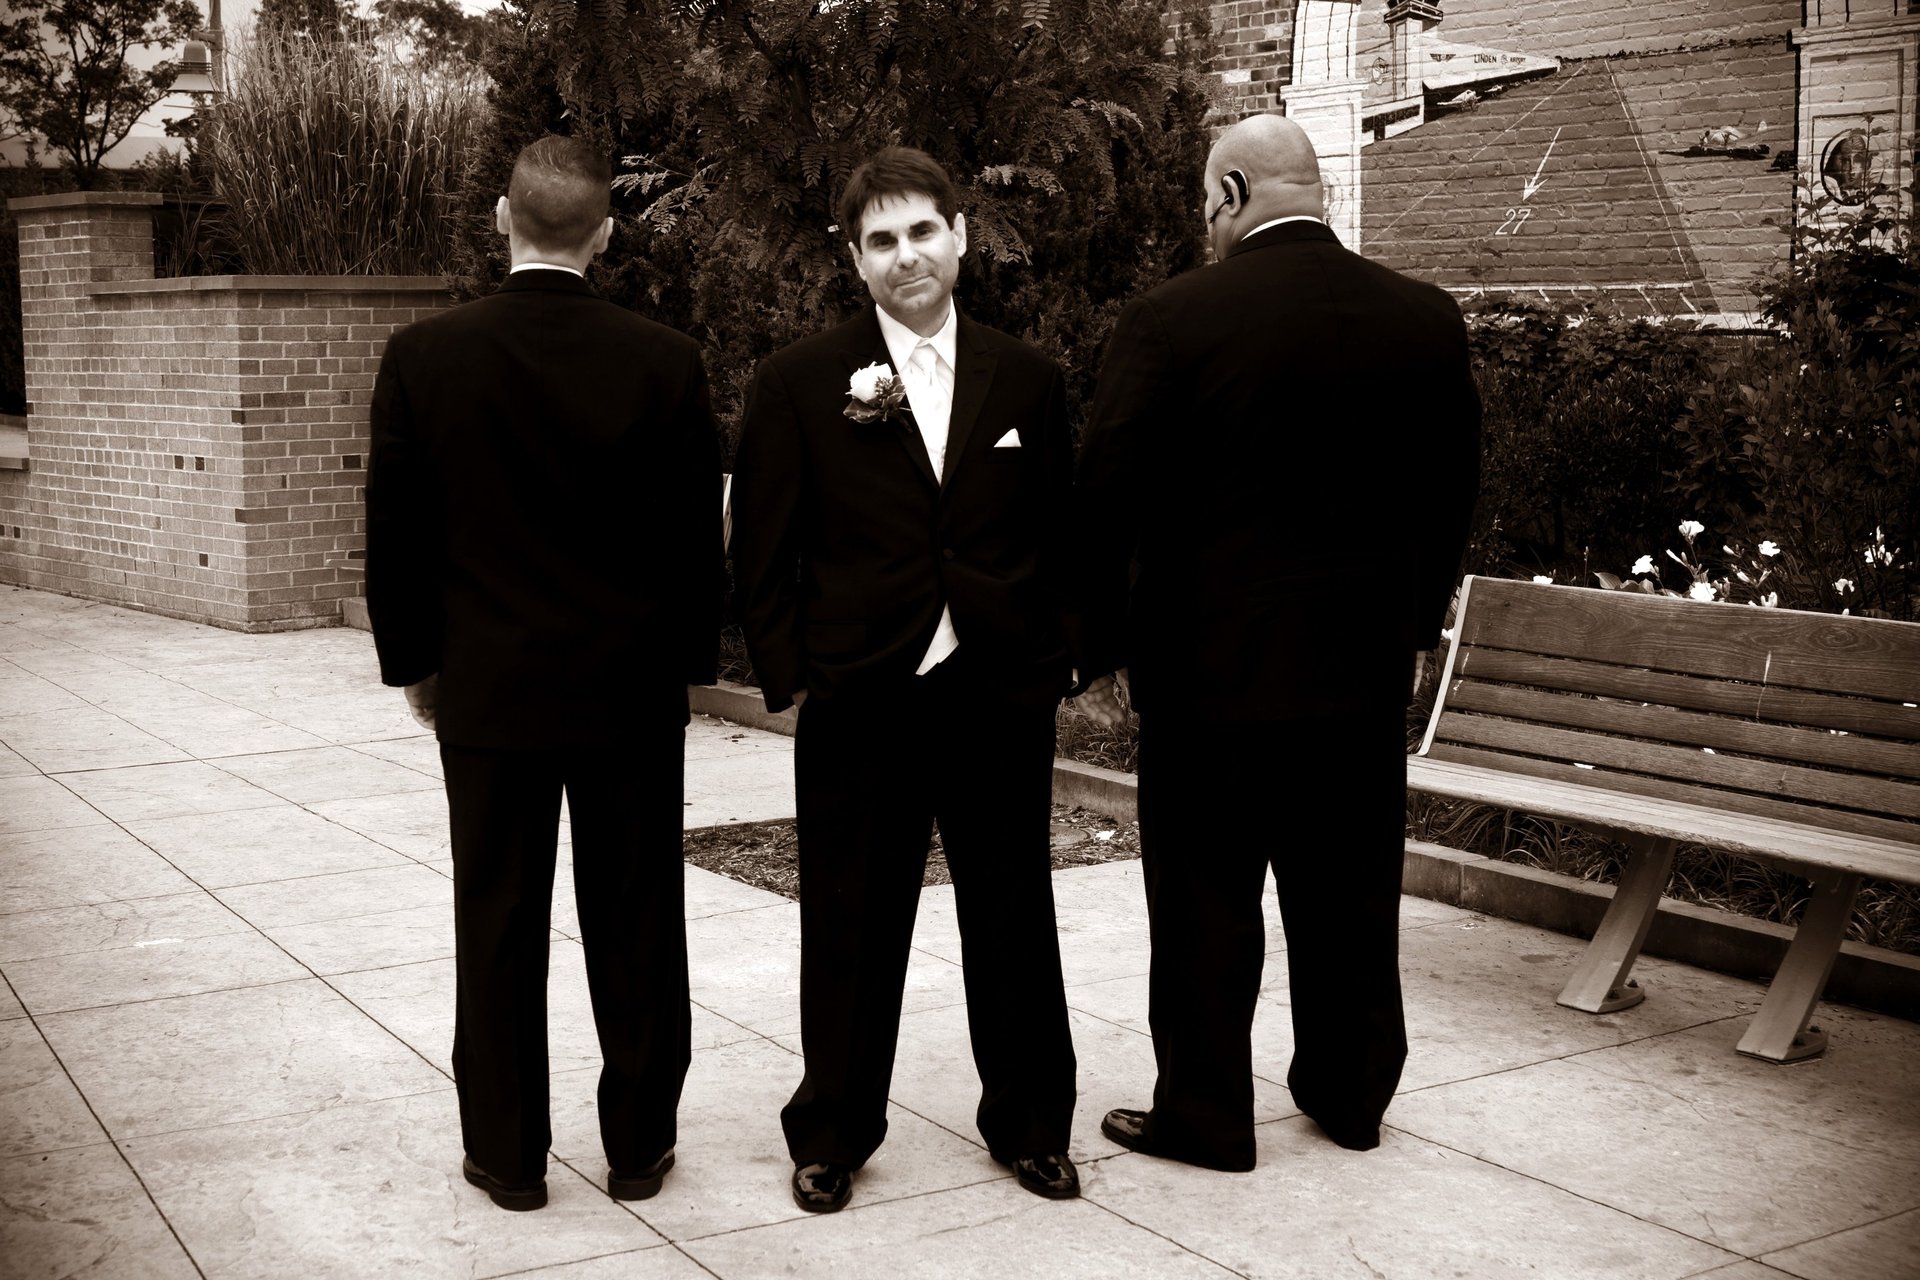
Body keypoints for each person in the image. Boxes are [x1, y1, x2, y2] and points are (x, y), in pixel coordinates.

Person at [1073, 113, 1482, 1170]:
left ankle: (1207, 1114)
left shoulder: (1172, 320)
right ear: (1322, 191)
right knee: (1350, 897)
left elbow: (1106, 499)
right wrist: (1413, 626)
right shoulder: (1424, 318)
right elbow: (1450, 495)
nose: (1206, 225)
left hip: (1208, 679)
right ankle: (1350, 1095)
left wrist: (1098, 651)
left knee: (1205, 903)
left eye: (1207, 205)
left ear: (1232, 193)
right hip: (1360, 676)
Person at [365, 135, 723, 1211]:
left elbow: (396, 536)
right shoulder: (665, 361)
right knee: (638, 921)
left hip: (489, 691)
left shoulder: (423, 356)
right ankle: (640, 1147)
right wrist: (688, 670)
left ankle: (509, 1155)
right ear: (605, 234)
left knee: (498, 921)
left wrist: (415, 667)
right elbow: (693, 545)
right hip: (628, 697)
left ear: (500, 219)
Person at [728, 146, 1080, 1213]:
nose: (905, 254)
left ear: (960, 236)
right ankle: (832, 1130)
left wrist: (1051, 662)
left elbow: (1063, 534)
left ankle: (1031, 1122)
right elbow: (763, 549)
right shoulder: (799, 382)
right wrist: (795, 679)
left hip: (996, 693)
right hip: (862, 697)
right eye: (880, 239)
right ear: (855, 259)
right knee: (849, 922)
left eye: (922, 230)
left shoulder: (1030, 379)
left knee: (1013, 915)